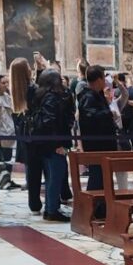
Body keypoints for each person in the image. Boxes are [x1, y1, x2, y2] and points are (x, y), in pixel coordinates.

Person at [31, 69, 76, 221]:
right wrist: (59, 143)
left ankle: (51, 207)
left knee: (52, 175)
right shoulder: (52, 98)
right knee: (56, 174)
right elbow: (53, 122)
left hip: (44, 143)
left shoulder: (41, 95)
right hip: (54, 143)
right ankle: (52, 210)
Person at [78, 64, 122, 201]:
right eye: (103, 78)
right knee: (97, 177)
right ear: (98, 80)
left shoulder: (97, 95)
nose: (105, 81)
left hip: (104, 144)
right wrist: (109, 114)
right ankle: (93, 206)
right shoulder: (88, 97)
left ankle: (101, 206)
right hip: (97, 145)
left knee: (102, 178)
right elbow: (90, 117)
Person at [10, 57, 42, 208]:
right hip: (35, 133)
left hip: (24, 134)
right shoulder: (32, 89)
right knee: (38, 169)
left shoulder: (15, 89)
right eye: (28, 66)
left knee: (32, 170)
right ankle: (38, 203)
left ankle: (33, 203)